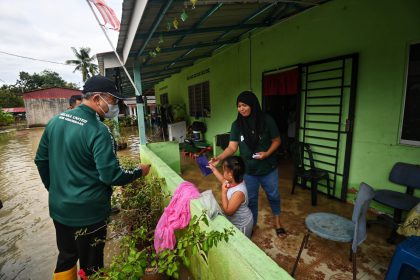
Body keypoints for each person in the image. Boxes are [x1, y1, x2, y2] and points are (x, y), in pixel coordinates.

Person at [34, 75, 151, 278]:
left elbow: (41, 161)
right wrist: (139, 171)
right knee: (92, 265)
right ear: (97, 98)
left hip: (60, 207)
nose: (114, 106)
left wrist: (55, 190)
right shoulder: (99, 131)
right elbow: (110, 175)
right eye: (113, 100)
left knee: (66, 257)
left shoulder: (54, 122)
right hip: (89, 213)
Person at [209, 91, 286, 237]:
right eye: (238, 106)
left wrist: (267, 153)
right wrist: (219, 158)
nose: (241, 109)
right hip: (249, 171)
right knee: (251, 200)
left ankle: (277, 222)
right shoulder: (237, 125)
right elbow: (232, 147)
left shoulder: (267, 120)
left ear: (252, 104)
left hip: (268, 168)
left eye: (244, 105)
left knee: (273, 196)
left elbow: (277, 141)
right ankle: (252, 224)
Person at [208, 156, 253, 238]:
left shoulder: (238, 192)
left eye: (223, 170)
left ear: (230, 174)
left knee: (241, 245)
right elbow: (223, 180)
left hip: (242, 225)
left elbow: (228, 211)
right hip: (234, 222)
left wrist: (224, 193)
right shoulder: (234, 181)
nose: (223, 172)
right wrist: (213, 169)